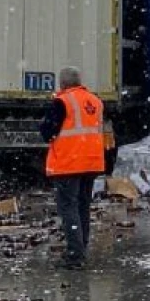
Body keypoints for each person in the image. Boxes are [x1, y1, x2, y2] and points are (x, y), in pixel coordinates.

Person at [40, 66, 105, 269]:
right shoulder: (95, 101)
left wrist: (45, 128)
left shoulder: (62, 101)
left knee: (68, 208)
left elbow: (47, 130)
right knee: (83, 206)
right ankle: (81, 247)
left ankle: (75, 256)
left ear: (63, 83)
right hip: (91, 162)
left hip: (69, 163)